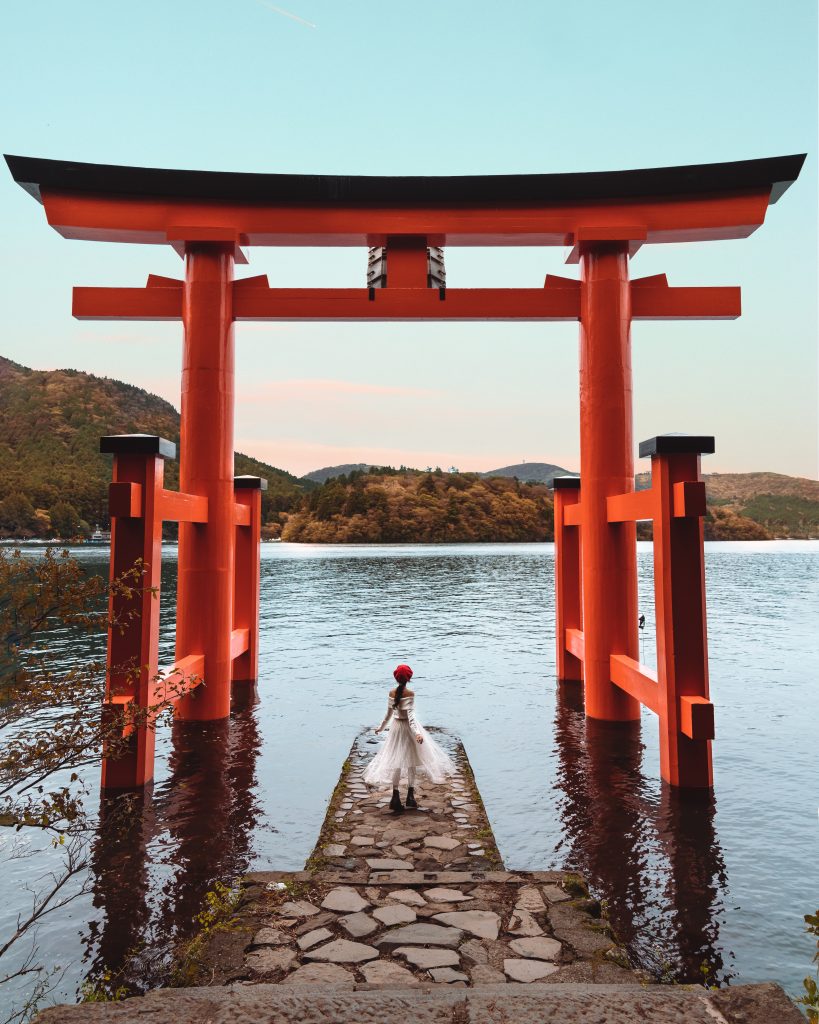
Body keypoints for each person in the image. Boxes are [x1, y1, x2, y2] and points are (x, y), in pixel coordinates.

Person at [363, 663, 455, 813]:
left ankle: (395, 797)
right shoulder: (410, 693)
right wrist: (417, 733)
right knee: (411, 761)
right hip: (408, 729)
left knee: (396, 762)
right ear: (409, 678)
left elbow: (388, 715)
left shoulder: (391, 693)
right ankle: (410, 796)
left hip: (396, 728)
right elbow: (411, 718)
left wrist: (381, 728)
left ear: (396, 677)